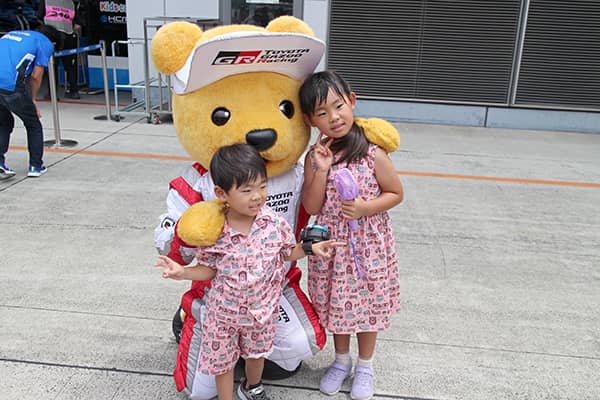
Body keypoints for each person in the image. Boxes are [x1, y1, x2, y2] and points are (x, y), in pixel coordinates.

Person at [155, 143, 345, 400]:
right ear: (221, 193)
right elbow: (209, 269)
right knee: (221, 365)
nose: (257, 196)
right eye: (246, 190)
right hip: (223, 315)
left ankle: (251, 386)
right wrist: (182, 272)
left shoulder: (273, 223)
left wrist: (310, 248)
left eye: (262, 187)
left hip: (262, 313)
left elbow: (286, 252)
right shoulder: (216, 231)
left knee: (257, 356)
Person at [299, 70, 404, 400]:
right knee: (338, 306)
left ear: (352, 101)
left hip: (368, 246)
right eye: (322, 113)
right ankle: (341, 361)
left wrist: (364, 208)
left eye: (338, 106)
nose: (334, 117)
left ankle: (366, 366)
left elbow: (395, 193)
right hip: (333, 246)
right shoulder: (314, 158)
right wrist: (321, 169)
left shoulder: (373, 152)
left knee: (367, 306)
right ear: (310, 120)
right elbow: (313, 204)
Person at [0, 24, 61, 179]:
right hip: (10, 86)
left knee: (3, 122)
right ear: (53, 42)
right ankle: (36, 166)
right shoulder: (45, 43)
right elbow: (36, 75)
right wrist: (33, 99)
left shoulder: (10, 34)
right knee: (33, 123)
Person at [37, 0, 83, 99]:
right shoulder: (71, 3)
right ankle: (74, 92)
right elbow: (78, 24)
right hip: (68, 36)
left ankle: (52, 94)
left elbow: (39, 16)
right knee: (71, 65)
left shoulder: (46, 1)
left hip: (52, 35)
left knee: (52, 65)